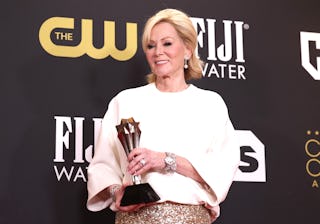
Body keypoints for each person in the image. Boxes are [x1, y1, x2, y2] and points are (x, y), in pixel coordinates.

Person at [86, 8, 240, 224]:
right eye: (151, 45)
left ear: (188, 50)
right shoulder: (126, 101)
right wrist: (115, 192)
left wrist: (166, 160)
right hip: (134, 218)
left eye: (167, 43)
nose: (157, 51)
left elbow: (222, 168)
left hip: (190, 218)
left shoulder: (210, 104)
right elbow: (103, 164)